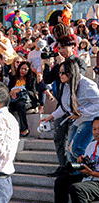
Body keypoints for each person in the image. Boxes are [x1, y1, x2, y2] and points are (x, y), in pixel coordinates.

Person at [43, 35, 87, 177]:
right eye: (59, 47)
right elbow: (47, 79)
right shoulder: (58, 65)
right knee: (59, 137)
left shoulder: (78, 62)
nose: (60, 50)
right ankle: (63, 166)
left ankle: (73, 168)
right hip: (62, 106)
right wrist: (48, 65)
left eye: (63, 47)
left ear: (72, 47)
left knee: (73, 140)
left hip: (77, 107)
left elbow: (79, 78)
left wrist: (66, 64)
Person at [40, 59, 99, 163]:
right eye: (59, 72)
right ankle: (76, 174)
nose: (60, 75)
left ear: (71, 71)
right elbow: (64, 106)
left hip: (90, 119)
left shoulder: (87, 84)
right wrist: (51, 116)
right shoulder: (65, 85)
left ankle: (87, 172)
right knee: (70, 150)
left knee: (77, 149)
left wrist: (81, 113)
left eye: (63, 72)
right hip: (78, 120)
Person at [54, 117, 99, 203]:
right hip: (89, 177)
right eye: (94, 129)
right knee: (61, 181)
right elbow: (89, 163)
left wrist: (91, 173)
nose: (96, 132)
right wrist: (81, 162)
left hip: (96, 180)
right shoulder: (91, 145)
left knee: (77, 188)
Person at [9, 61, 39, 137]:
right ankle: (10, 129)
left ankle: (24, 129)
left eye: (25, 69)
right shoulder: (13, 78)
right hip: (13, 100)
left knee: (20, 105)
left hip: (26, 100)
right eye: (21, 68)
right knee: (8, 107)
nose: (23, 71)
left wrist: (21, 89)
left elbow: (32, 92)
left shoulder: (32, 79)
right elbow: (8, 89)